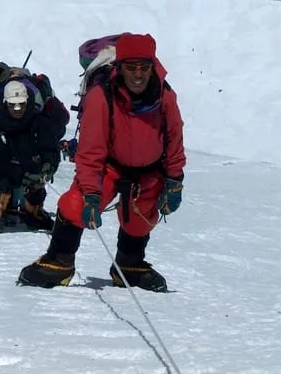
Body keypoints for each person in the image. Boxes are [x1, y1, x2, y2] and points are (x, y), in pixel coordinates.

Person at [18, 33, 186, 292]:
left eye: (144, 67)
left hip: (149, 171)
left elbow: (174, 140)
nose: (138, 74)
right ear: (120, 67)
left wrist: (175, 181)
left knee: (141, 219)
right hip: (110, 166)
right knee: (76, 205)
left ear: (153, 67)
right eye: (131, 67)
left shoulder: (165, 97)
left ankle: (130, 264)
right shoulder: (102, 96)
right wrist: (92, 195)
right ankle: (59, 261)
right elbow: (90, 151)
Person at [0, 80, 65, 235]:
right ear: (6, 103)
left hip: (33, 169)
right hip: (8, 171)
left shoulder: (39, 123)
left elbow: (51, 150)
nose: (17, 109)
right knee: (1, 180)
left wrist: (47, 168)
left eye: (21, 104)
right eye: (13, 104)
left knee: (36, 183)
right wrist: (15, 168)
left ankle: (34, 214)